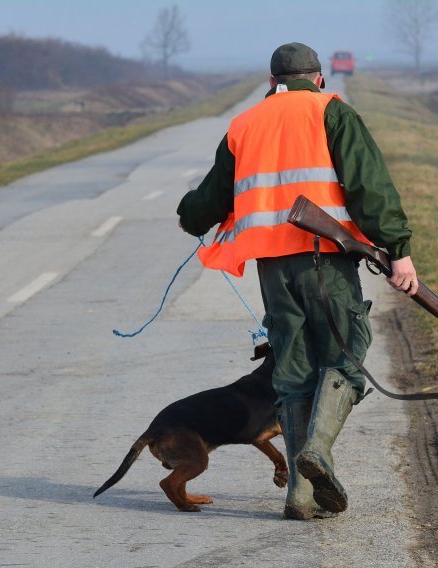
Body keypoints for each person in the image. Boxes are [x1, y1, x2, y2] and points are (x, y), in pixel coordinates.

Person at [176, 42, 417, 521]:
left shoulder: (244, 125)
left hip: (273, 270)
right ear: (319, 78)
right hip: (325, 262)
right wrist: (399, 250)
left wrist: (189, 215)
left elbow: (207, 202)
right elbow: (369, 187)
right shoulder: (332, 112)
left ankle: (299, 497)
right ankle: (317, 456)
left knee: (292, 373)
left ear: (272, 83)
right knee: (345, 359)